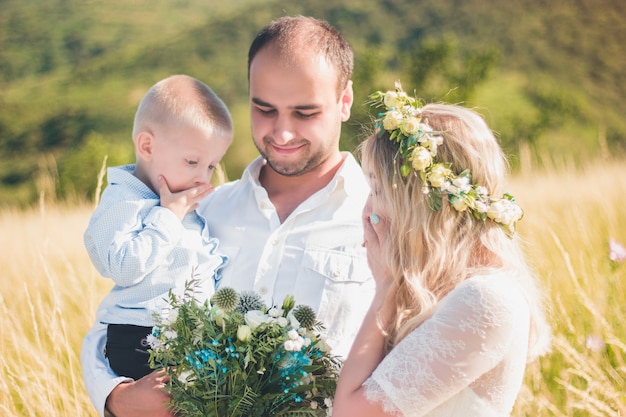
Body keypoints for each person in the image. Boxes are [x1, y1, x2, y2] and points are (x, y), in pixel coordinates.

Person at [80, 16, 375, 417]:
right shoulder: (201, 210)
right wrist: (117, 397)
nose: (282, 133)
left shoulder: (384, 220)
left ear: (345, 101)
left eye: (305, 112)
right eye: (265, 109)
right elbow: (126, 316)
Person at [332, 84, 552, 417]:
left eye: (377, 189)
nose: (366, 211)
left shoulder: (484, 299)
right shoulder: (448, 293)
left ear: (419, 203)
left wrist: (385, 289)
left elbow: (349, 413)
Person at [83, 74, 233, 381]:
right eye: (192, 161)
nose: (203, 177)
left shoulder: (180, 200)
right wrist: (167, 217)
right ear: (147, 146)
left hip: (187, 336)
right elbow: (122, 267)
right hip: (141, 339)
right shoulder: (125, 201)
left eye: (211, 166)